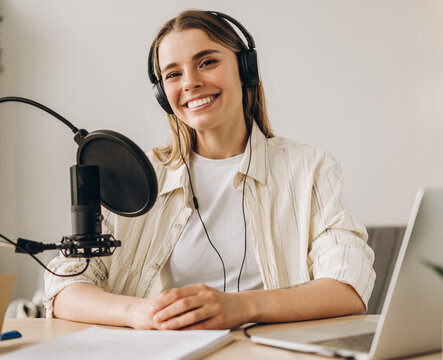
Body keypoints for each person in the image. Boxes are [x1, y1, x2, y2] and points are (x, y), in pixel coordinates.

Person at [44, 9, 375, 330]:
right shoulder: (140, 174)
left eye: (207, 62)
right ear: (162, 94)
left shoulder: (309, 168)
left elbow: (348, 285)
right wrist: (140, 313)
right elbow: (63, 287)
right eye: (173, 74)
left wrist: (241, 307)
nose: (190, 82)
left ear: (246, 70)